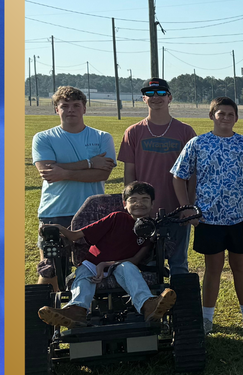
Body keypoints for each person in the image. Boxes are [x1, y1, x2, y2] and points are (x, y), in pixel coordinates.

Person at [171, 97, 243, 334]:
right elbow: (178, 175)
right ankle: (207, 319)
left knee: (240, 267)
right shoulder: (198, 143)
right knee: (213, 269)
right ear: (211, 115)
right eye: (220, 113)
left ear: (236, 117)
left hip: (241, 219)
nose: (225, 118)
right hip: (208, 219)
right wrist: (186, 208)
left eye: (230, 114)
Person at [37, 181, 176, 328]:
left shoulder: (150, 230)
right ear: (124, 204)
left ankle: (148, 305)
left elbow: (135, 260)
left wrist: (106, 264)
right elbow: (75, 236)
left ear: (152, 203)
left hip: (120, 265)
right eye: (133, 200)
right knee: (84, 274)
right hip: (93, 263)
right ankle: (76, 311)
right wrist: (58, 228)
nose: (138, 204)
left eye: (144, 200)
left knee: (127, 267)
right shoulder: (116, 218)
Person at [33, 86, 117, 292]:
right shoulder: (43, 138)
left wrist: (65, 172)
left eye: (76, 105)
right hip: (55, 212)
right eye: (65, 106)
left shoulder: (102, 137)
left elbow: (102, 174)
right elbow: (48, 172)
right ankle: (47, 316)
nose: (70, 110)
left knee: (92, 266)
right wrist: (90, 163)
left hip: (93, 213)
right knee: (51, 269)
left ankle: (83, 312)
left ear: (84, 109)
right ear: (56, 109)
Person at [118, 77, 196, 276]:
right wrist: (129, 204)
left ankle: (179, 305)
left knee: (179, 264)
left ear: (169, 97)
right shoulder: (133, 132)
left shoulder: (185, 131)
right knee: (146, 264)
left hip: (176, 211)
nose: (155, 97)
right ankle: (151, 306)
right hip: (144, 211)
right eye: (149, 93)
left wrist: (188, 207)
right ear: (143, 99)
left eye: (161, 93)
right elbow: (129, 174)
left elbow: (193, 175)